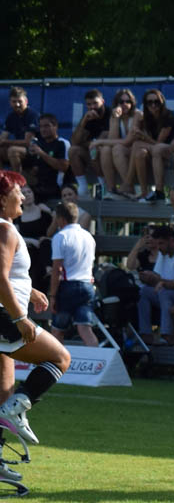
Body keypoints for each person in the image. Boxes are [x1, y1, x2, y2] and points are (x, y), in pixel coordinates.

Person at [0, 170, 72, 461]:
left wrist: (29, 292)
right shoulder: (5, 230)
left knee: (4, 391)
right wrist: (20, 318)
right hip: (5, 316)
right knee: (60, 358)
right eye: (18, 191)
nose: (23, 196)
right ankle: (19, 407)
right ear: (3, 198)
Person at [47, 201, 97, 348]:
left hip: (68, 287)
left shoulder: (60, 236)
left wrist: (53, 296)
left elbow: (57, 269)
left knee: (57, 331)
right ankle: (96, 360)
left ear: (61, 219)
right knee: (85, 329)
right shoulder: (88, 236)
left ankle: (56, 361)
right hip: (87, 286)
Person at [126, 225, 174, 342]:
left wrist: (159, 281)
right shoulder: (160, 253)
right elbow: (156, 276)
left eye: (160, 243)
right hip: (163, 289)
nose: (158, 246)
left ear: (171, 240)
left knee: (164, 293)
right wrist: (149, 278)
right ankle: (145, 333)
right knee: (143, 292)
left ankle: (167, 334)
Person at [129, 89, 174, 203]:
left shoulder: (168, 116)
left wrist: (143, 136)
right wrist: (137, 128)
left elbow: (158, 143)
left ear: (162, 102)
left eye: (156, 102)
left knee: (137, 144)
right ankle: (144, 192)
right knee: (139, 153)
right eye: (150, 102)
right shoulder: (147, 118)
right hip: (156, 153)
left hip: (171, 152)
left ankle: (128, 183)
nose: (153, 105)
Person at [67, 90, 108, 194]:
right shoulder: (88, 117)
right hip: (93, 154)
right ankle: (83, 187)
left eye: (95, 103)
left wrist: (88, 143)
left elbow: (103, 140)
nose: (92, 107)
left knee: (93, 149)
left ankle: (104, 186)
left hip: (108, 155)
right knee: (73, 150)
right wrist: (84, 121)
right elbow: (74, 142)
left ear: (103, 102)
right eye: (89, 104)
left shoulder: (110, 114)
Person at [21, 114, 69, 199]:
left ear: (55, 126)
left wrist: (41, 153)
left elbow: (63, 167)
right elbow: (33, 170)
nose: (43, 129)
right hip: (38, 187)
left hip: (56, 188)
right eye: (41, 126)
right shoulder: (39, 144)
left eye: (46, 126)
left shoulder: (62, 143)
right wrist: (29, 156)